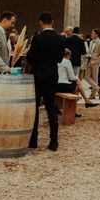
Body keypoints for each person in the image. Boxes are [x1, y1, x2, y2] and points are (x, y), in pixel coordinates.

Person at [27, 12, 64, 151]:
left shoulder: (37, 38)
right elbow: (60, 59)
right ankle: (54, 141)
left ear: (41, 22)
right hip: (52, 76)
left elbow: (30, 58)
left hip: (38, 76)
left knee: (35, 108)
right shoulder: (60, 39)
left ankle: (33, 140)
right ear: (52, 22)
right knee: (51, 108)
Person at [84, 28, 100, 99]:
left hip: (95, 63)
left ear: (97, 35)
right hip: (89, 61)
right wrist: (88, 55)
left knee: (95, 78)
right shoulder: (91, 42)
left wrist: (97, 62)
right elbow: (90, 52)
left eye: (92, 33)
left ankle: (93, 95)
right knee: (86, 77)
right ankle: (98, 88)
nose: (91, 34)